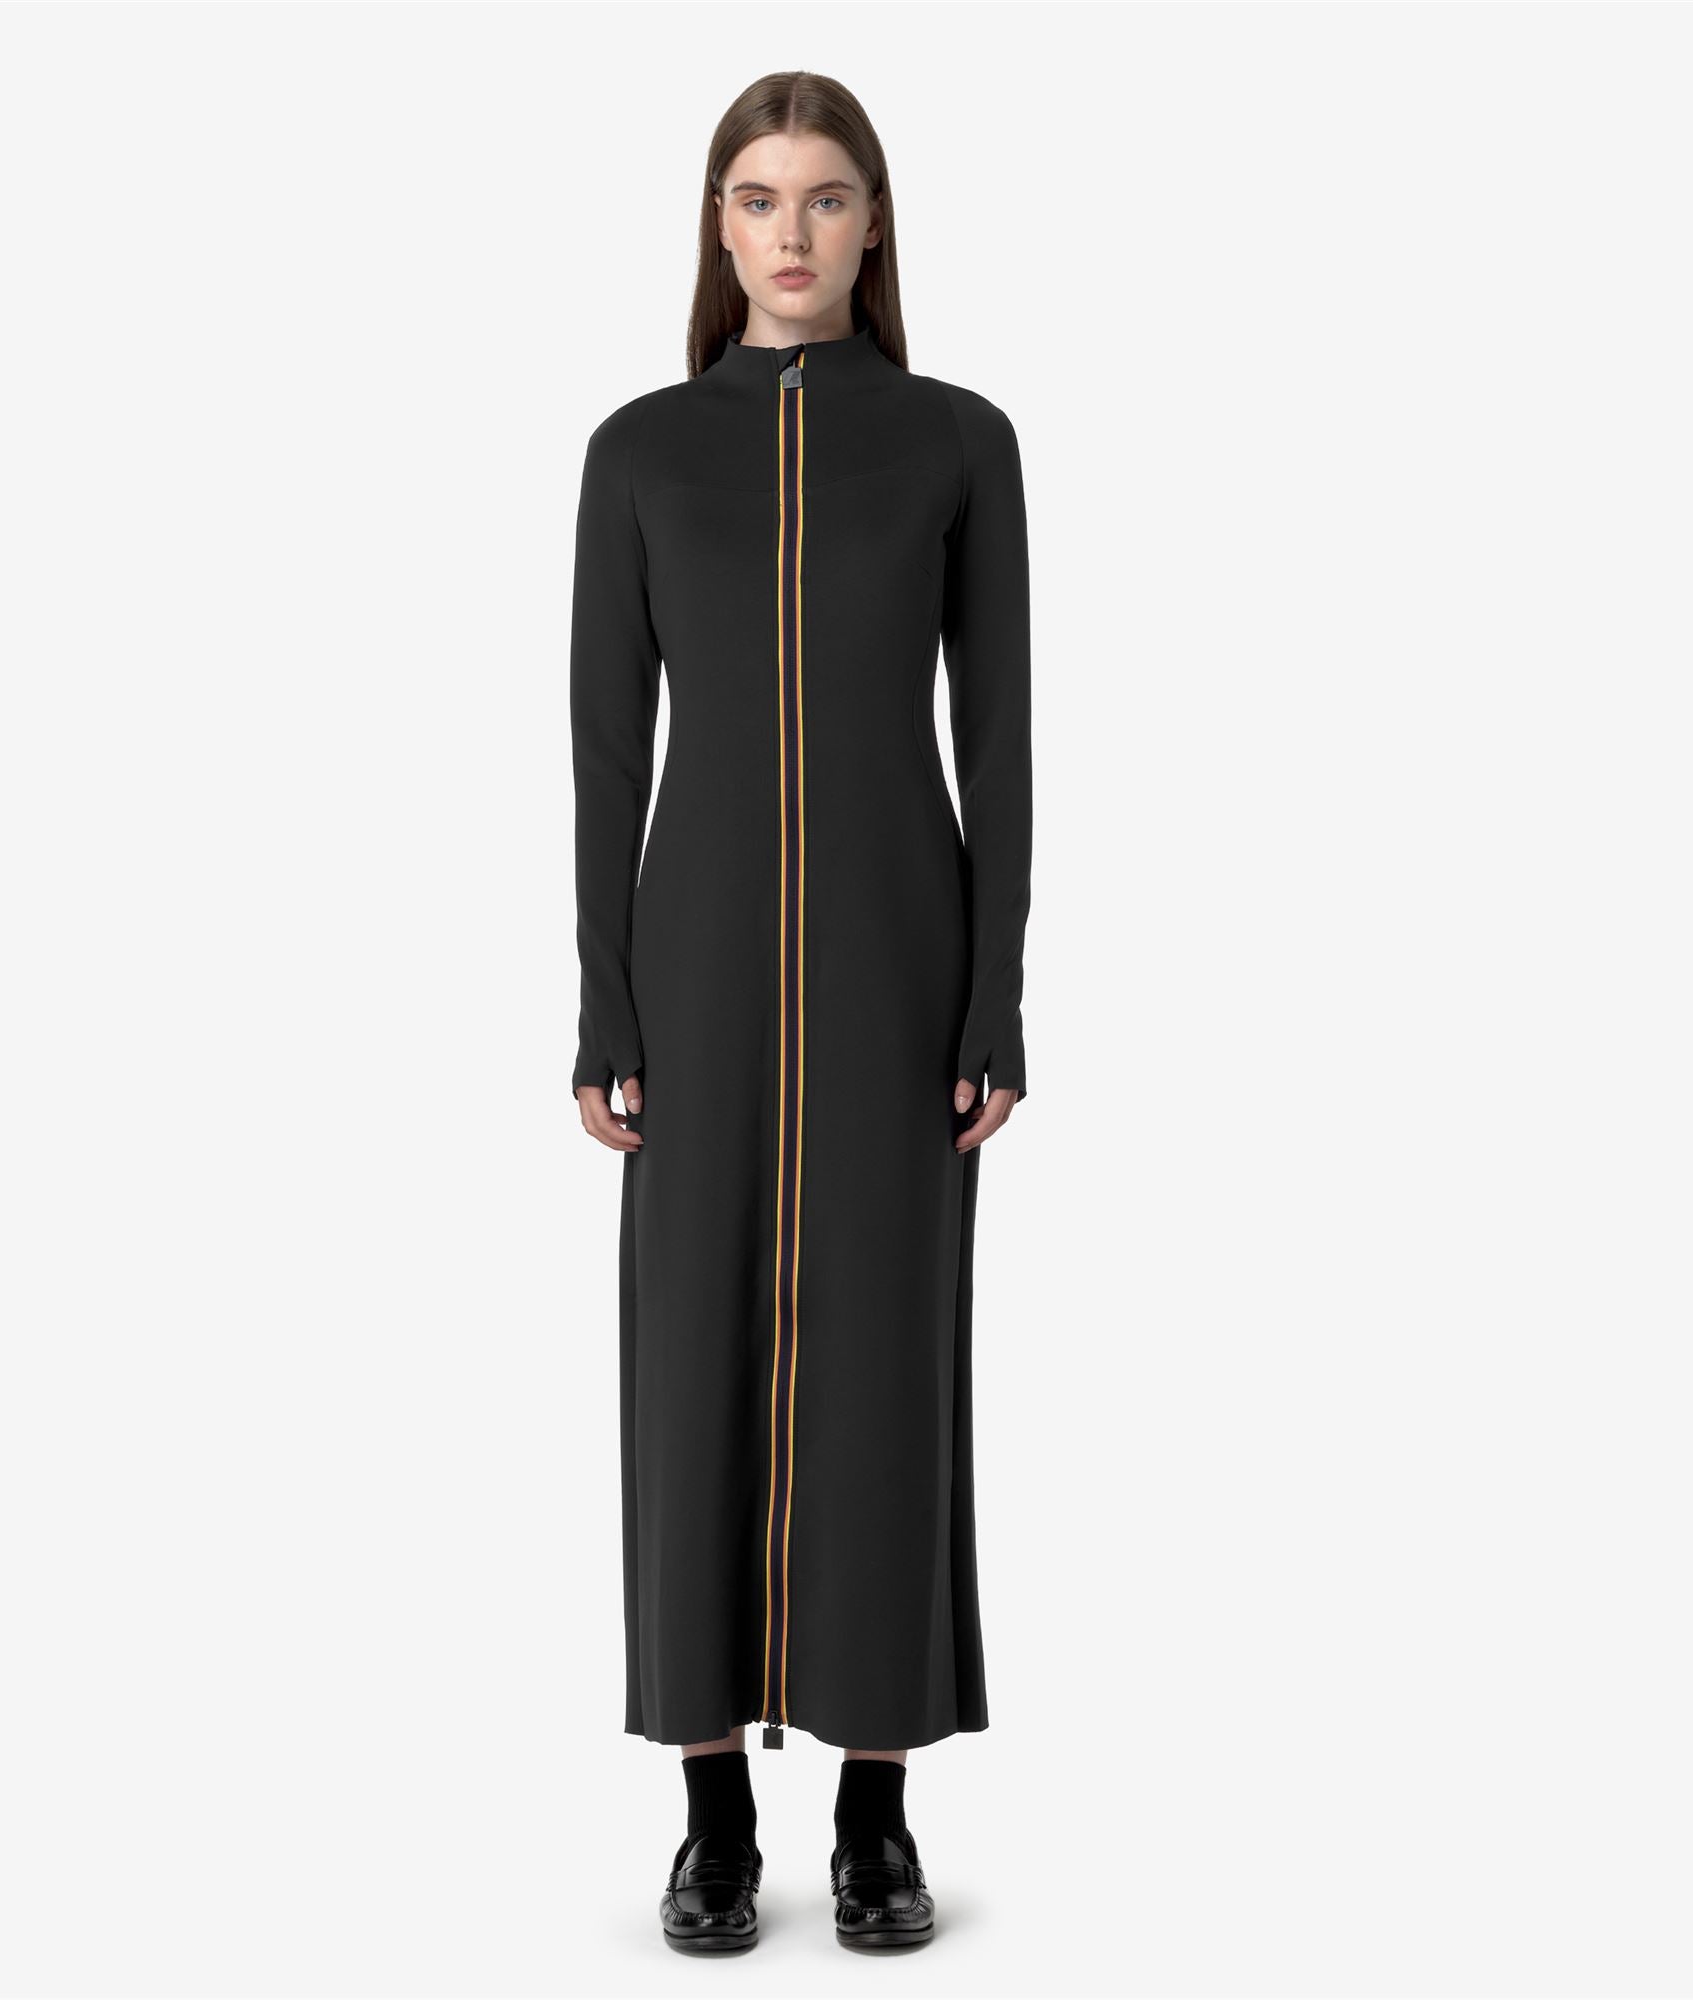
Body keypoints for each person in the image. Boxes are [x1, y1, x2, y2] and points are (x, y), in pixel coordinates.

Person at [567, 68, 1032, 1954]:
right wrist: (604, 994)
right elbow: (609, 750)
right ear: (717, 224)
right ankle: (708, 1820)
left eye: (826, 198)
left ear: (873, 223)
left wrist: (995, 988)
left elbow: (1000, 738)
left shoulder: (957, 443)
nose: (791, 232)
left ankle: (875, 1812)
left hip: (901, 956)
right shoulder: (639, 452)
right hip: (692, 962)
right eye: (757, 199)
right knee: (691, 1360)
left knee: (886, 1368)